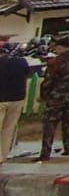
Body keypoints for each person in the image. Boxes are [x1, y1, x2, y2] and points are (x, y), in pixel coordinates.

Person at [0, 36, 29, 166]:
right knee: (8, 130)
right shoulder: (22, 62)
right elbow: (26, 75)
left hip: (1, 100)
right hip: (17, 99)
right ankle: (2, 157)